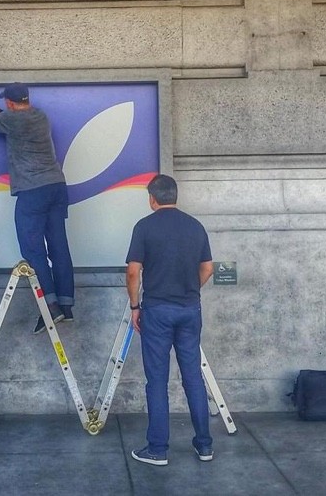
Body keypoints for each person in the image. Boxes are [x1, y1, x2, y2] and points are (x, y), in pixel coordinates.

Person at [0, 83, 75, 335]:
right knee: (58, 246)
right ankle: (66, 305)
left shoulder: (13, 120)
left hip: (33, 190)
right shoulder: (39, 116)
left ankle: (50, 306)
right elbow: (2, 115)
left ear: (11, 102)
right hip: (57, 186)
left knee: (32, 249)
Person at [125, 174, 215, 466]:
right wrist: (189, 290)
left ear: (152, 198)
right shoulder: (195, 226)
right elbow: (208, 268)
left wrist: (135, 306)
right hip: (190, 310)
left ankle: (158, 449)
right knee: (193, 379)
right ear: (175, 195)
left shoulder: (144, 227)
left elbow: (133, 272)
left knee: (157, 381)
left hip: (157, 312)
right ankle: (204, 445)